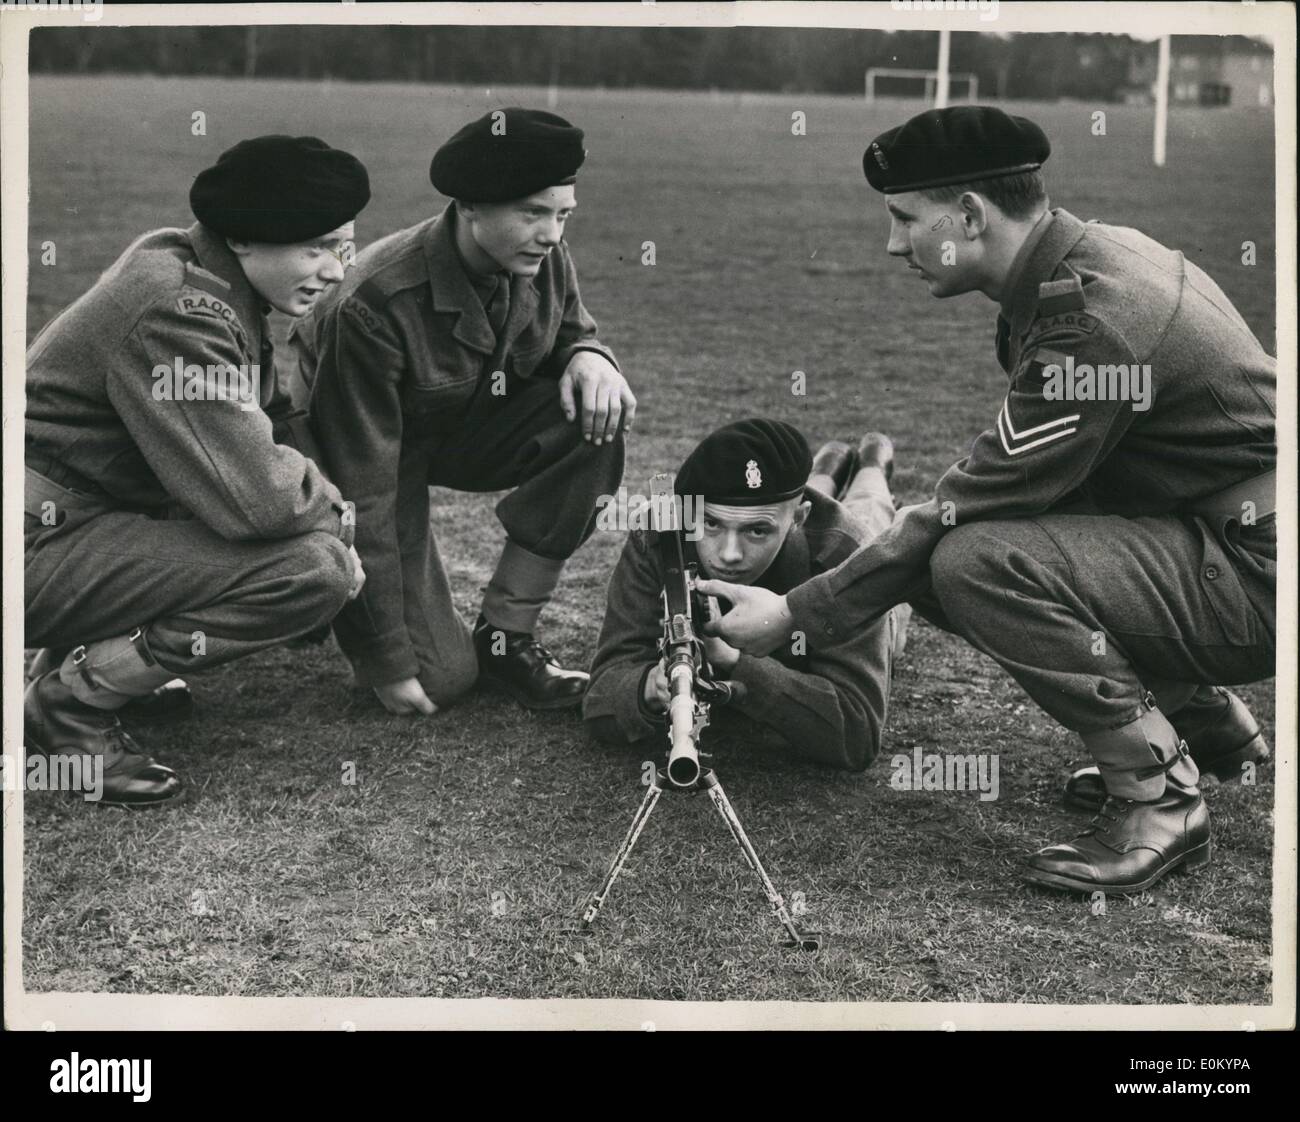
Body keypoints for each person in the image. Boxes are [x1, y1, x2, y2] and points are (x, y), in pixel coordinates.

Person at [700, 107, 1275, 895]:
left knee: (970, 559)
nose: (893, 244)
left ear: (969, 215)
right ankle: (1205, 725)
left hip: (1259, 571)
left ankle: (1160, 797)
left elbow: (959, 510)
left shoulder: (1093, 323)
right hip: (1229, 537)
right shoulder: (1090, 257)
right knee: (949, 552)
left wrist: (792, 614)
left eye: (905, 219)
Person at [24, 135, 371, 806]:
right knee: (312, 568)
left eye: (344, 248)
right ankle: (66, 705)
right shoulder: (180, 308)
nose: (335, 271)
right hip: (35, 539)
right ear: (244, 239)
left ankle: (77, 664)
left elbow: (262, 431)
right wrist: (341, 523)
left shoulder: (196, 270)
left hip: (64, 520)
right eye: (316, 247)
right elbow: (261, 500)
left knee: (236, 516)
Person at [299, 108, 634, 716]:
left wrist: (591, 356)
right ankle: (306, 592)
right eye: (533, 212)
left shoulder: (542, 256)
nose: (553, 234)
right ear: (470, 206)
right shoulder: (377, 302)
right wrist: (385, 658)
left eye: (563, 215)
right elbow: (362, 487)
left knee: (596, 420)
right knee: (439, 680)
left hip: (457, 423)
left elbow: (569, 330)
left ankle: (507, 637)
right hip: (359, 448)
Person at [584, 418, 910, 771]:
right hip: (794, 510)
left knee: (872, 510)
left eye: (756, 530)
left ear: (800, 517)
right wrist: (649, 687)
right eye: (710, 523)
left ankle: (873, 462)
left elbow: (857, 734)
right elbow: (601, 694)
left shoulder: (846, 554)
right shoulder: (662, 534)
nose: (729, 554)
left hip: (849, 533)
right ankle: (827, 466)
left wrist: (736, 664)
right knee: (795, 493)